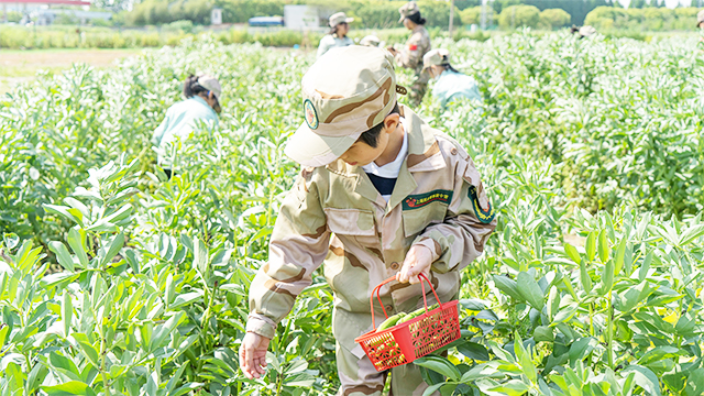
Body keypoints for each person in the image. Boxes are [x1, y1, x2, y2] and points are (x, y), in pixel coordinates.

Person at [239, 46, 496, 396]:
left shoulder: (445, 160)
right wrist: (262, 320)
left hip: (424, 319)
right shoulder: (323, 169)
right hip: (360, 318)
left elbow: (476, 225)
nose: (334, 155)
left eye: (344, 146)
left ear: (389, 124)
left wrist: (433, 244)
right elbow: (295, 244)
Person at [152, 74, 221, 177]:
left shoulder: (176, 107)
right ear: (210, 95)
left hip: (166, 162)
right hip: (190, 168)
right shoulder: (210, 115)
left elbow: (157, 137)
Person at [387, 1, 431, 107]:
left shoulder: (417, 37)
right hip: (421, 78)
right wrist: (400, 53)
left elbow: (410, 62)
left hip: (417, 80)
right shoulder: (421, 33)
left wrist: (395, 56)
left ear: (408, 21)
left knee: (412, 107)